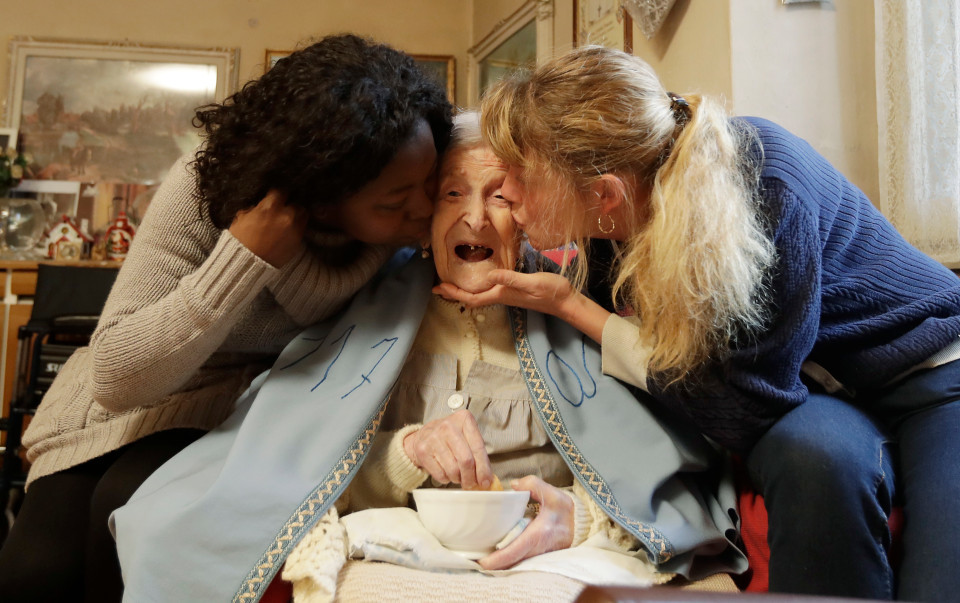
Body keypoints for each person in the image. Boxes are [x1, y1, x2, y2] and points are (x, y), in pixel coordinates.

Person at [112, 112, 746, 602]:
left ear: (530, 216)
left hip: (547, 564)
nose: (475, 217)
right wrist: (407, 452)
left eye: (500, 196)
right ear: (424, 215)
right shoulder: (363, 315)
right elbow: (292, 474)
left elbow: (660, 483)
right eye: (452, 193)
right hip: (396, 560)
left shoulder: (575, 312)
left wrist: (577, 519)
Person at [435, 46, 960, 602]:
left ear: (603, 193)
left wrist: (572, 307)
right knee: (816, 458)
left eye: (520, 176)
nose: (507, 191)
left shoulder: (762, 185)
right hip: (820, 390)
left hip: (933, 375)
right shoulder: (612, 221)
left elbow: (745, 408)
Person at [0, 33, 452, 603]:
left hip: (253, 415)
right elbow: (116, 377)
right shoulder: (205, 192)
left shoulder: (407, 220)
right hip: (131, 400)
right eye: (395, 201)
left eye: (430, 184)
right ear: (320, 197)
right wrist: (242, 258)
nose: (425, 208)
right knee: (33, 574)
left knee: (124, 521)